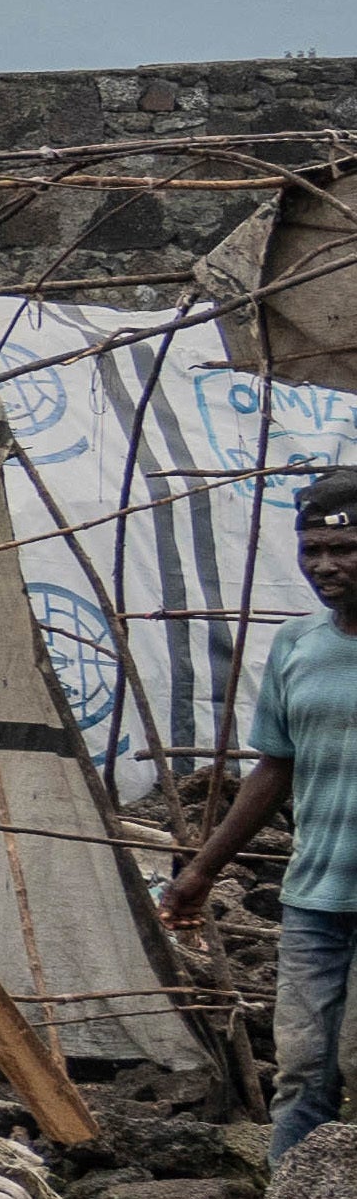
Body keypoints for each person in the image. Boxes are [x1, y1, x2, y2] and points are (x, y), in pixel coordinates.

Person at [163, 466, 357, 1155]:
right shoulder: (296, 646)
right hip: (315, 897)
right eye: (311, 550)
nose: (324, 564)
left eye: (343, 548)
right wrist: (200, 870)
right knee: (303, 1067)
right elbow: (272, 769)